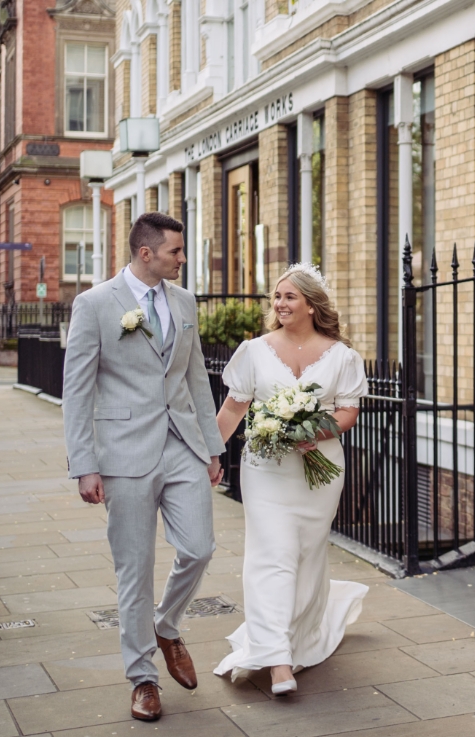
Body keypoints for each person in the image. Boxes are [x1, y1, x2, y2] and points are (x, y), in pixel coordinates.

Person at [62, 212, 225, 722]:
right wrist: (85, 464)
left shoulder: (183, 302)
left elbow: (196, 378)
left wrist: (213, 448)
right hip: (123, 453)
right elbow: (77, 390)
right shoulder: (94, 305)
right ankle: (144, 678)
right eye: (176, 251)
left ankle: (168, 625)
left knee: (199, 548)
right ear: (146, 253)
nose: (183, 259)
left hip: (182, 447)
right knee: (134, 571)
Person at [212, 263, 369, 695]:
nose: (280, 304)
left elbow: (347, 411)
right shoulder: (255, 351)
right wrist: (207, 453)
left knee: (306, 555)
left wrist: (315, 431)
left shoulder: (341, 356)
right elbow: (233, 409)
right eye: (277, 297)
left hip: (320, 472)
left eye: (289, 297)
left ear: (311, 305)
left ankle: (300, 635)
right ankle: (276, 658)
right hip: (265, 471)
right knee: (271, 555)